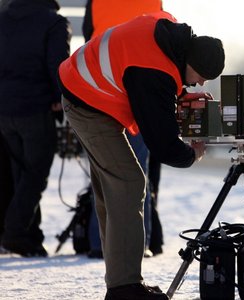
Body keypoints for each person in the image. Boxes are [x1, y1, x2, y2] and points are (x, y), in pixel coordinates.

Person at [58, 11, 224, 299]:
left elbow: (146, 77)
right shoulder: (153, 71)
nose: (198, 85)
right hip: (87, 102)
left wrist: (177, 93)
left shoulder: (169, 32)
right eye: (199, 78)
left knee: (114, 188)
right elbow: (162, 143)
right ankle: (124, 288)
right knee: (129, 182)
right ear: (191, 62)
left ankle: (121, 282)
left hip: (83, 86)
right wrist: (193, 154)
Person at [82, 0, 164, 259]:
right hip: (136, 90)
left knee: (103, 172)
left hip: (99, 88)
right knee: (138, 172)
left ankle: (100, 242)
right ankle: (140, 244)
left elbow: (88, 35)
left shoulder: (96, 1)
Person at [0, 0, 70, 257]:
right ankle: (16, 232)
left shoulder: (4, 17)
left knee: (21, 173)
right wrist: (59, 99)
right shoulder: (53, 22)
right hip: (35, 106)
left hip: (4, 109)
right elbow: (58, 65)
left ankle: (30, 236)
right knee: (35, 173)